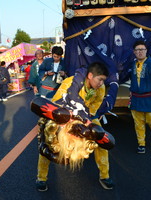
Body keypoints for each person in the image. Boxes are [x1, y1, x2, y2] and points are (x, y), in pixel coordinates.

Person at [35, 62, 114, 191]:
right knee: (48, 142)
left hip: (86, 116)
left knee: (101, 137)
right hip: (64, 115)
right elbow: (57, 103)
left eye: (103, 81)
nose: (101, 83)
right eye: (100, 79)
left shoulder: (101, 88)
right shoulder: (69, 82)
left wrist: (86, 121)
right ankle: (41, 178)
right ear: (90, 75)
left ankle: (104, 176)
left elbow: (96, 104)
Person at [128, 41, 151, 154]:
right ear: (134, 52)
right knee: (138, 124)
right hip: (136, 99)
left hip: (149, 99)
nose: (140, 52)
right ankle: (141, 144)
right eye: (137, 50)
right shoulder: (132, 64)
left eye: (142, 49)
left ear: (146, 51)